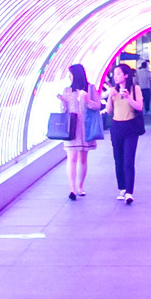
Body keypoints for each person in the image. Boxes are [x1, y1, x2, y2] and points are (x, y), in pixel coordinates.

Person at [107, 63, 146, 202]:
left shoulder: (135, 89)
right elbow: (109, 111)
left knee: (129, 160)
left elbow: (139, 107)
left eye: (118, 74)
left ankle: (129, 192)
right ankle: (122, 188)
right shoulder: (113, 91)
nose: (115, 77)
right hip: (116, 127)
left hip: (131, 127)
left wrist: (129, 97)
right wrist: (109, 97)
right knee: (118, 159)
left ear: (126, 75)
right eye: (114, 74)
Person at [60, 63, 97, 201]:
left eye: (70, 74)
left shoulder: (91, 89)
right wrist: (62, 102)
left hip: (86, 128)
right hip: (72, 128)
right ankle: (72, 189)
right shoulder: (67, 90)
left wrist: (87, 100)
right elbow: (64, 111)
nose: (69, 76)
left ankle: (80, 187)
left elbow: (97, 106)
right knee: (71, 158)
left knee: (83, 158)